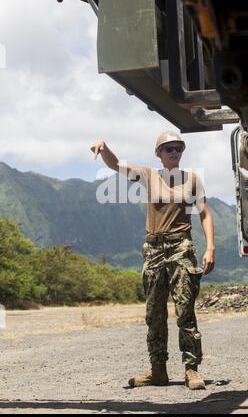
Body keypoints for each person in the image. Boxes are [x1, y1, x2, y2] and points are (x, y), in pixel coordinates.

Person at [91, 131, 215, 390]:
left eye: (178, 148)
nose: (174, 152)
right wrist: (104, 147)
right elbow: (116, 165)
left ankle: (191, 369)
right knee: (154, 314)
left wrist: (210, 247)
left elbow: (204, 213)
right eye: (168, 148)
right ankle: (158, 371)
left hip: (181, 246)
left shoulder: (192, 180)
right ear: (158, 153)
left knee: (185, 311)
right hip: (154, 249)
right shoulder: (149, 175)